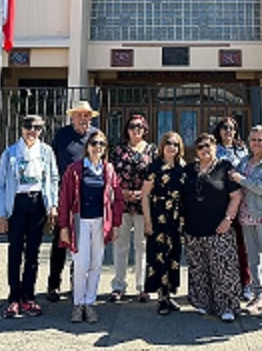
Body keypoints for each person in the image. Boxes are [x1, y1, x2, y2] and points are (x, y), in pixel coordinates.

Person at [0, 114, 59, 318]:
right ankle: (14, 297)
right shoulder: (10, 153)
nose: (33, 131)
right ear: (21, 128)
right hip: (17, 204)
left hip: (37, 203)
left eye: (38, 128)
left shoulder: (46, 152)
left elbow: (53, 178)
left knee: (33, 252)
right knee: (15, 252)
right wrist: (2, 214)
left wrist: (53, 205)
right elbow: (0, 185)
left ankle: (28, 297)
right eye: (29, 126)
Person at [57, 130, 124, 324]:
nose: (98, 147)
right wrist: (63, 226)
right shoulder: (75, 169)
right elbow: (65, 200)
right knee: (80, 264)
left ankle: (90, 303)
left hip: (101, 222)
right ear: (88, 147)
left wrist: (116, 224)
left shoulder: (108, 169)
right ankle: (78, 304)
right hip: (80, 222)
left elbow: (117, 199)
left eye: (102, 144)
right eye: (94, 143)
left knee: (96, 264)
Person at [182, 132, 242, 322]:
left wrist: (228, 219)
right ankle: (203, 303)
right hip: (193, 228)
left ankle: (227, 306)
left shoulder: (225, 167)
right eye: (200, 147)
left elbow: (236, 196)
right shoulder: (189, 169)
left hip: (219, 229)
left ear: (215, 147)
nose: (204, 149)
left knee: (223, 269)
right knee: (199, 268)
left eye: (208, 145)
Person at [46, 100, 99, 303]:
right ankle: (54, 284)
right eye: (80, 115)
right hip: (65, 196)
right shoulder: (62, 135)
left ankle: (76, 283)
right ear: (72, 117)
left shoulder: (95, 136)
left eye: (87, 115)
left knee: (83, 244)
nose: (83, 119)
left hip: (88, 198)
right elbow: (51, 164)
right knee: (61, 242)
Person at [229, 125, 262, 319]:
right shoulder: (244, 160)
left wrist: (242, 180)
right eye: (253, 139)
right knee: (252, 257)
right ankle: (258, 294)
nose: (256, 143)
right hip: (246, 213)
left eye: (260, 140)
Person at [108, 114, 156, 303]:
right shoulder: (119, 150)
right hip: (123, 203)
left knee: (142, 246)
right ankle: (119, 285)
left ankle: (142, 286)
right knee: (120, 244)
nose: (136, 129)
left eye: (140, 126)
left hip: (144, 204)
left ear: (145, 129)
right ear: (126, 129)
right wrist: (122, 192)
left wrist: (143, 193)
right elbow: (111, 176)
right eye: (132, 126)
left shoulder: (152, 150)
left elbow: (156, 175)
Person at [141, 132, 186, 315]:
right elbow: (144, 194)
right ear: (162, 146)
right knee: (158, 254)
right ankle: (161, 296)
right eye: (168, 143)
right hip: (158, 214)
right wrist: (147, 221)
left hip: (177, 217)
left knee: (174, 255)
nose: (171, 147)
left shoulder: (183, 168)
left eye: (175, 144)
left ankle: (169, 294)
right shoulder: (154, 167)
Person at [212, 117, 253, 301]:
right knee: (220, 246)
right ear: (219, 130)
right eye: (224, 128)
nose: (228, 131)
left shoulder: (243, 150)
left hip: (242, 202)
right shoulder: (214, 150)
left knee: (242, 246)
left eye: (232, 128)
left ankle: (245, 282)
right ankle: (220, 284)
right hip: (221, 203)